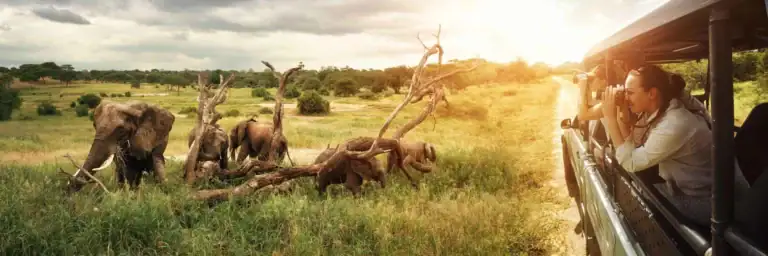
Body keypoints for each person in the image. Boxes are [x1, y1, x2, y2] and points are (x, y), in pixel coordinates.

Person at [600, 64, 748, 226]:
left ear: (652, 93)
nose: (626, 98)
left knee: (644, 195)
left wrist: (610, 119)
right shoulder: (661, 108)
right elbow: (634, 145)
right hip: (705, 189)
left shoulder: (674, 123)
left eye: (630, 93)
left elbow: (631, 162)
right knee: (645, 185)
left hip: (713, 202)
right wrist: (622, 114)